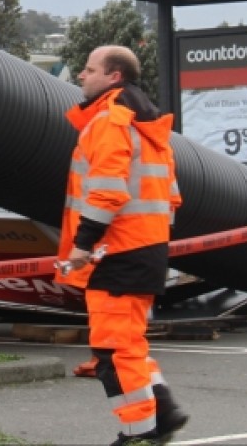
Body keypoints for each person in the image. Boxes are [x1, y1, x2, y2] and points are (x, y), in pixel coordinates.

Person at [55, 45, 188, 446]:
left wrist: (83, 245)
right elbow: (171, 198)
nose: (81, 75)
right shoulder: (149, 127)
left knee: (112, 352)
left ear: (114, 77)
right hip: (142, 249)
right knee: (128, 343)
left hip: (115, 252)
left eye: (90, 69)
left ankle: (138, 433)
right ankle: (162, 412)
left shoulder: (110, 122)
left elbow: (107, 191)